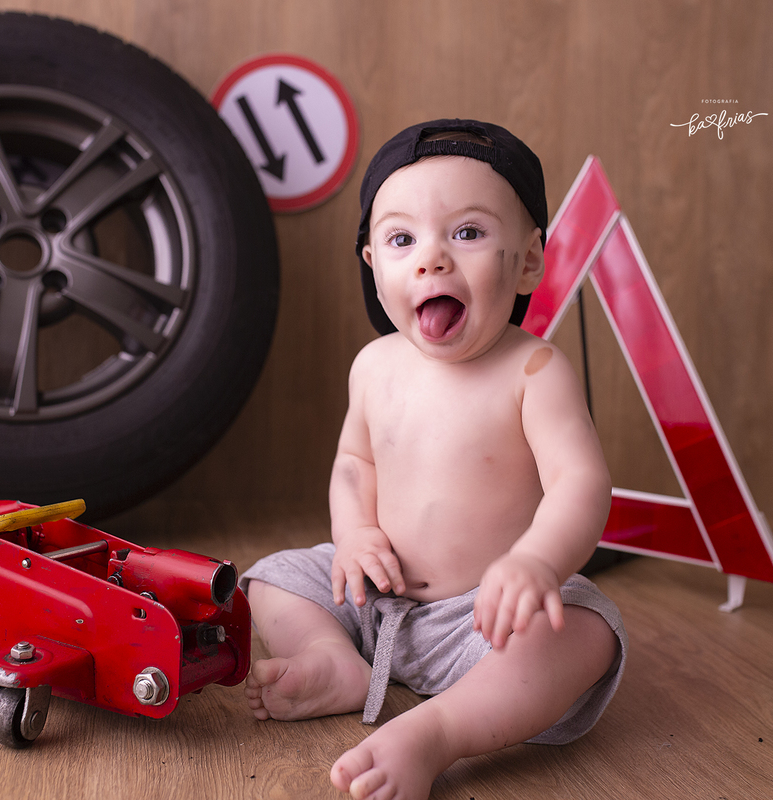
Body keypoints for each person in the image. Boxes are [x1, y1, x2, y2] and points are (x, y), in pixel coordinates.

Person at [240, 120, 628, 800]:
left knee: (589, 632)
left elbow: (581, 480)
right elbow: (354, 462)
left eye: (468, 233)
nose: (431, 259)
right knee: (273, 577)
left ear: (530, 260)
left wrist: (536, 561)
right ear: (372, 264)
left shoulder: (534, 370)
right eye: (401, 239)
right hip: (374, 605)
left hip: (485, 619)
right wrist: (354, 535)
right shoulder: (374, 365)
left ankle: (441, 730)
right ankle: (333, 660)